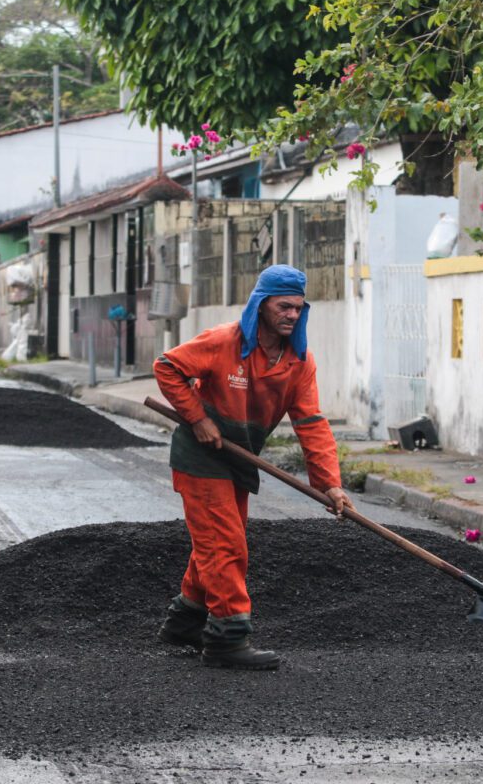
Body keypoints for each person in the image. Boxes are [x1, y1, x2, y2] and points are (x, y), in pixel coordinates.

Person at [153, 264, 353, 671]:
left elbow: (311, 424)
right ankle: (228, 637)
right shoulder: (224, 342)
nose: (292, 315)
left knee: (217, 541)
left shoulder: (298, 362)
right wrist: (197, 417)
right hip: (200, 457)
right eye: (284, 307)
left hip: (238, 456)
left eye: (298, 309)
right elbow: (168, 367)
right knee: (225, 544)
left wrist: (330, 485)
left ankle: (186, 620)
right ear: (261, 305)